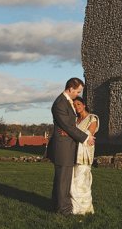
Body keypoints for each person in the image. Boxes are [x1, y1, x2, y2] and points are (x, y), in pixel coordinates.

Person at [47, 77, 95, 215]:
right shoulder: (60, 103)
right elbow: (68, 126)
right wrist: (86, 138)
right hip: (63, 147)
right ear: (70, 88)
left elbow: (69, 126)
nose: (78, 94)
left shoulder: (67, 102)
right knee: (63, 181)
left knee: (61, 180)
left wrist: (69, 130)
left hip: (67, 145)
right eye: (77, 91)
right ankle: (65, 210)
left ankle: (55, 206)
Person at [70, 97, 99, 215]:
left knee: (81, 180)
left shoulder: (92, 118)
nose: (77, 107)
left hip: (85, 152)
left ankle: (84, 208)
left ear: (84, 104)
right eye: (74, 105)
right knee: (72, 180)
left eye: (78, 104)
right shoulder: (75, 120)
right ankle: (74, 207)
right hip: (73, 151)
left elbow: (89, 133)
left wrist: (87, 137)